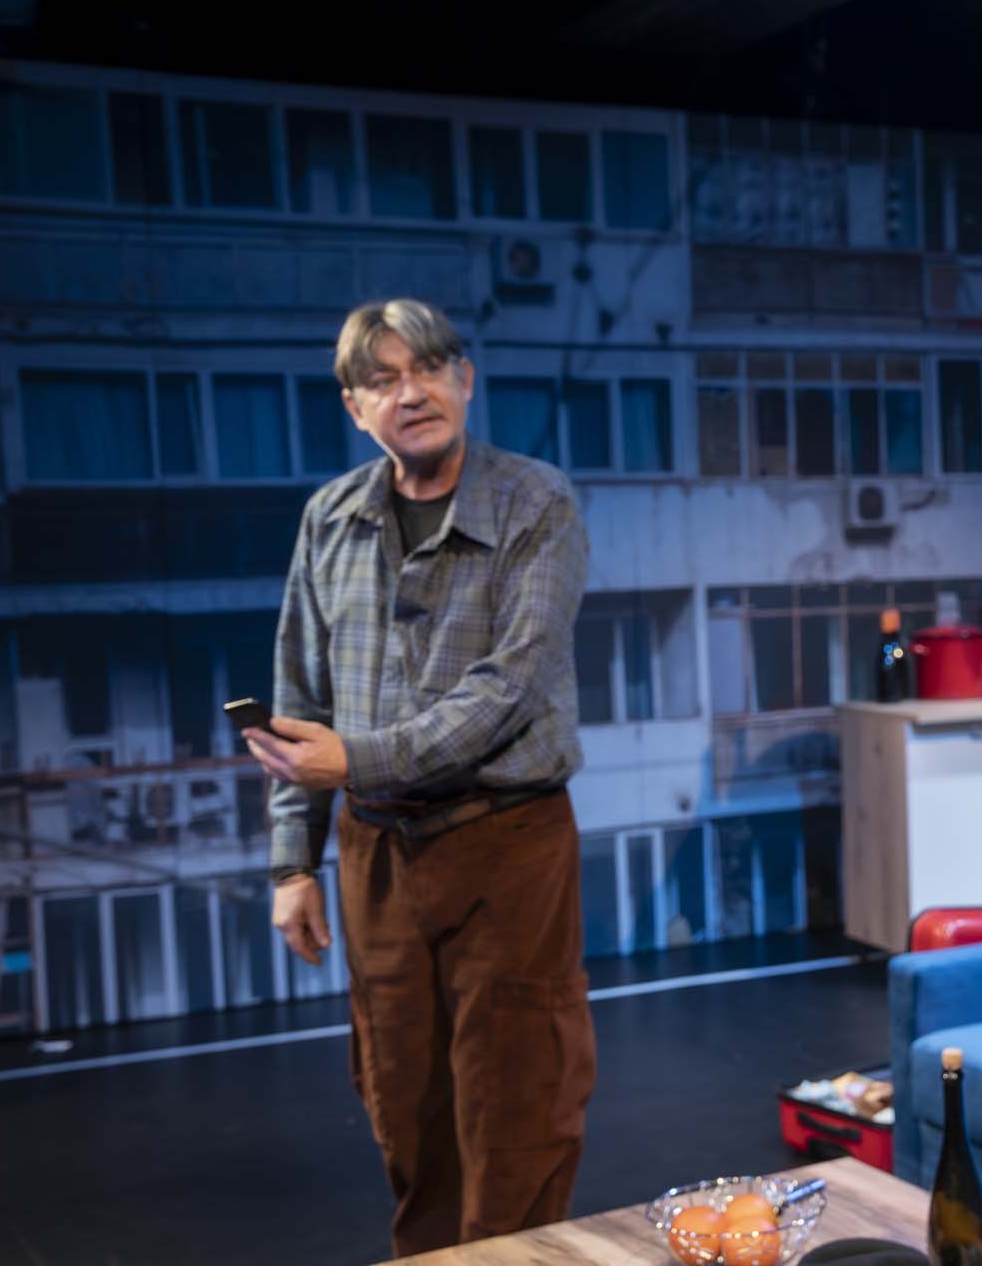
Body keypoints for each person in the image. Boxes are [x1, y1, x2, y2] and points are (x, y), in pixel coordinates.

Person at [243, 298, 595, 1257]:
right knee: (402, 1104)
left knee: (519, 1104)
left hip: (507, 844)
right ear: (355, 407)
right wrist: (291, 864)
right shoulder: (331, 517)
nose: (413, 393)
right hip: (377, 852)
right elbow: (299, 695)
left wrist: (354, 758)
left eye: (430, 369)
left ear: (465, 380)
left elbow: (508, 691)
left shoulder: (537, 503)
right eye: (384, 380)